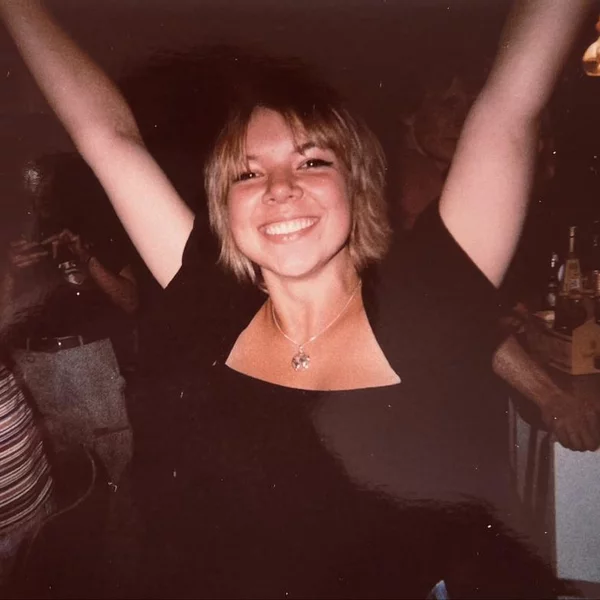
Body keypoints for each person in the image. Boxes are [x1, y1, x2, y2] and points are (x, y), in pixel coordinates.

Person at [0, 0, 592, 597]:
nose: (280, 188)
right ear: (225, 208)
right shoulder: (204, 297)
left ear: (357, 186)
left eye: (311, 161)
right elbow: (105, 134)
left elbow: (511, 105)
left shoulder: (425, 301)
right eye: (248, 173)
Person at [395, 72, 600, 452]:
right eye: (448, 104)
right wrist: (551, 397)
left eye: (470, 105)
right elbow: (456, 312)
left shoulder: (451, 189)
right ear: (408, 115)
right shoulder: (411, 189)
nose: (461, 119)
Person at [4, 155, 138, 487]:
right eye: (33, 184)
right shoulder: (11, 239)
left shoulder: (98, 229)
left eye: (47, 182)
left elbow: (130, 301)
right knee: (54, 467)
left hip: (86, 359)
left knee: (113, 455)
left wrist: (86, 257)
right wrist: (9, 273)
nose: (39, 192)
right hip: (29, 363)